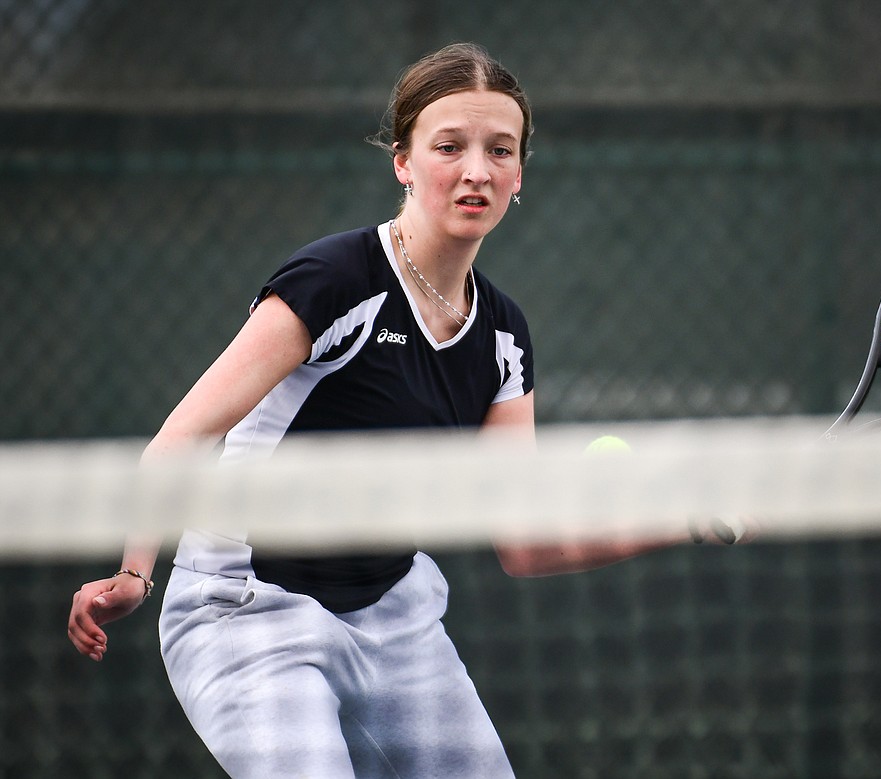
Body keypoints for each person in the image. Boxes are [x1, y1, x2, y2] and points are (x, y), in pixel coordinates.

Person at [66, 42, 737, 779]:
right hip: (246, 613)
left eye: (500, 151)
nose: (476, 170)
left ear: (519, 176)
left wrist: (689, 520)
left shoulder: (504, 335)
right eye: (449, 146)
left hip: (395, 621)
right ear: (404, 162)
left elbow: (524, 542)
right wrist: (135, 572)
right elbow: (186, 432)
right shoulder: (335, 281)